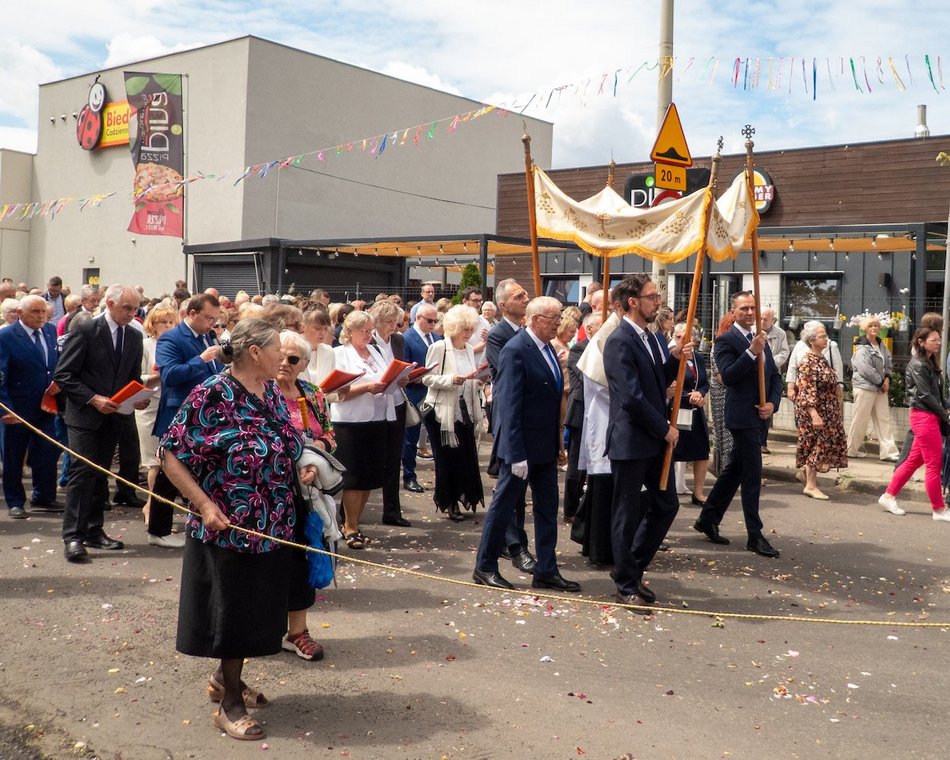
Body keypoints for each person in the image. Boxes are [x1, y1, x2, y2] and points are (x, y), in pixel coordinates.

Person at [160, 319, 317, 741]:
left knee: (256, 612)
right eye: (277, 351)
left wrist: (299, 466)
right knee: (231, 616)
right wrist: (205, 504)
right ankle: (230, 704)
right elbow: (170, 453)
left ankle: (225, 680)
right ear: (254, 353)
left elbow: (284, 443)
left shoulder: (269, 394)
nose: (284, 359)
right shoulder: (212, 393)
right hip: (227, 528)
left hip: (274, 525)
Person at [473, 296, 580, 593]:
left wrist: (558, 445)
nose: (559, 322)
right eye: (554, 317)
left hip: (544, 446)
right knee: (504, 507)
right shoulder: (516, 350)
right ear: (535, 320)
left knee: (547, 509)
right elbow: (508, 405)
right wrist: (516, 453)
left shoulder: (547, 349)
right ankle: (485, 565)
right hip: (521, 448)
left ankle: (546, 568)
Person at [604, 274, 691, 611]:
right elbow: (631, 396)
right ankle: (626, 584)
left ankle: (630, 566)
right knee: (625, 513)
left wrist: (675, 359)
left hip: (653, 440)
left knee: (667, 505)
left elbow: (656, 381)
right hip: (632, 439)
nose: (658, 301)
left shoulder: (651, 338)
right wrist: (663, 429)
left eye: (657, 296)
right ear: (632, 302)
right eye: (652, 296)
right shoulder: (620, 340)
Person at [54, 284, 148, 563]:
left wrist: (138, 397)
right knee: (82, 472)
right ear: (109, 303)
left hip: (114, 415)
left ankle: (94, 530)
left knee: (100, 473)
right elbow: (64, 374)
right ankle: (73, 536)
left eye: (135, 309)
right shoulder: (86, 329)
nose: (131, 314)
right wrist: (94, 399)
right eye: (126, 308)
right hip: (84, 415)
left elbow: (132, 377)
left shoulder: (133, 335)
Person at [694, 291, 782, 558]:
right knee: (752, 475)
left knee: (734, 470)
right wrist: (751, 353)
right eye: (743, 308)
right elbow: (728, 377)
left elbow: (775, 377)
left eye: (753, 308)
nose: (749, 313)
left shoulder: (761, 339)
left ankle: (708, 518)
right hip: (741, 417)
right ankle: (755, 535)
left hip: (760, 415)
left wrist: (773, 404)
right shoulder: (726, 341)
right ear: (733, 312)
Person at [275, 329, 334, 661]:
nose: (284, 363)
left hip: (305, 490)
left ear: (303, 364)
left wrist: (315, 458)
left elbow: (328, 435)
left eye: (292, 359)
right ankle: (262, 629)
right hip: (266, 489)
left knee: (302, 557)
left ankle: (297, 631)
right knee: (266, 561)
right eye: (280, 356)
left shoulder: (312, 394)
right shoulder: (260, 391)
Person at [331, 310, 395, 548]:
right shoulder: (340, 354)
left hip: (377, 419)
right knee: (354, 477)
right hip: (351, 421)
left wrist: (399, 380)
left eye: (370, 330)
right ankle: (349, 526)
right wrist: (367, 387)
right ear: (349, 331)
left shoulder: (375, 351)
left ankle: (355, 522)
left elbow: (386, 377)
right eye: (364, 331)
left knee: (369, 476)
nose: (369, 335)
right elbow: (334, 393)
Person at [484, 278, 535, 573]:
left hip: (530, 421)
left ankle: (513, 541)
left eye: (525, 293)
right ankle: (516, 547)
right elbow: (508, 373)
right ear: (503, 305)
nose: (526, 297)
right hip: (509, 419)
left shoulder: (528, 332)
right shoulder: (498, 335)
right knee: (510, 487)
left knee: (520, 487)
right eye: (519, 296)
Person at [421, 305, 485, 522]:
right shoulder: (440, 347)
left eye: (470, 329)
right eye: (463, 329)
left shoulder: (468, 349)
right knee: (448, 458)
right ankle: (450, 502)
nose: (467, 333)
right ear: (453, 327)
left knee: (465, 457)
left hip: (465, 408)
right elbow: (426, 377)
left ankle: (462, 496)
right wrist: (450, 380)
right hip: (444, 412)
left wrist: (476, 381)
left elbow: (469, 374)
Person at [879, 328, 950, 521]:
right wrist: (945, 414)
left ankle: (888, 496)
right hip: (924, 417)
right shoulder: (918, 365)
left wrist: (945, 409)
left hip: (928, 416)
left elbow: (935, 393)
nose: (939, 342)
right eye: (934, 340)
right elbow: (925, 395)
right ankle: (939, 509)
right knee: (934, 465)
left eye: (939, 339)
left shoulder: (928, 362)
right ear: (921, 342)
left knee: (913, 461)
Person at [0, 295, 61, 519]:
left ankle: (44, 496)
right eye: (35, 312)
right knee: (14, 456)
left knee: (47, 452)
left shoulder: (50, 331)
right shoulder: (6, 336)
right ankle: (15, 501)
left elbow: (52, 364)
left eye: (43, 311)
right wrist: (5, 408)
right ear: (20, 314)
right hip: (17, 407)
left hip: (46, 405)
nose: (41, 316)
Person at [135, 304, 184, 546]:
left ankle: (156, 507)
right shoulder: (146, 345)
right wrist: (158, 375)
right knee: (154, 461)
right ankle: (152, 506)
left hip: (171, 406)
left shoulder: (175, 344)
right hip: (149, 405)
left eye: (171, 322)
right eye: (162, 322)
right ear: (152, 325)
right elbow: (137, 377)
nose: (167, 326)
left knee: (168, 459)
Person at [153, 293, 222, 440]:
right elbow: (169, 375)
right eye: (209, 318)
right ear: (192, 313)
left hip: (209, 415)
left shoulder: (209, 336)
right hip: (182, 416)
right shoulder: (171, 338)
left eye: (216, 320)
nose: (212, 324)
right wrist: (201, 360)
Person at [369, 300, 412, 527]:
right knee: (371, 458)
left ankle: (392, 511)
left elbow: (400, 364)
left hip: (396, 402)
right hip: (374, 406)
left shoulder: (398, 339)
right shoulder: (368, 339)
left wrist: (404, 377)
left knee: (394, 458)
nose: (392, 327)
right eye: (387, 322)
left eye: (394, 322)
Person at [794, 321, 848, 500]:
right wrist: (814, 414)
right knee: (815, 446)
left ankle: (809, 479)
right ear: (811, 340)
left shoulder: (821, 358)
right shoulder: (808, 361)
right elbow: (806, 389)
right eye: (822, 336)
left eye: (826, 335)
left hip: (827, 410)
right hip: (816, 411)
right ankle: (810, 485)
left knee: (820, 446)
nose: (826, 339)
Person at [563, 311, 602, 523]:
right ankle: (569, 508)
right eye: (600, 325)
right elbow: (586, 375)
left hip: (600, 413)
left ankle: (587, 506)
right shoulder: (579, 349)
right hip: (581, 412)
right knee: (576, 463)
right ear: (589, 328)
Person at [848, 314, 899, 462]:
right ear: (865, 329)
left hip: (880, 388)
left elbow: (888, 362)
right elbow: (864, 368)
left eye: (876, 325)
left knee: (884, 419)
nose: (874, 328)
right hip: (865, 388)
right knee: (860, 420)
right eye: (871, 326)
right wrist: (880, 382)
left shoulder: (881, 344)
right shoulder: (861, 345)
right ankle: (851, 450)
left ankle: (888, 452)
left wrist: (887, 379)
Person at [670, 320, 710, 506]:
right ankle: (668, 490)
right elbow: (669, 385)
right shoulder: (672, 356)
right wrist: (687, 395)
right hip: (676, 410)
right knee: (673, 451)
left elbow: (703, 382)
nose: (684, 341)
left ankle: (699, 492)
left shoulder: (698, 358)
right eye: (679, 337)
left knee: (702, 451)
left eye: (688, 338)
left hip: (695, 410)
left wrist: (700, 394)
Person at [401, 301, 441, 493]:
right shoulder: (407, 338)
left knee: (437, 435)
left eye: (435, 321)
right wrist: (417, 376)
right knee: (411, 437)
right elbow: (404, 368)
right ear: (418, 318)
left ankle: (441, 476)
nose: (433, 324)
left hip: (434, 393)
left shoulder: (435, 337)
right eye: (429, 320)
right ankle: (409, 476)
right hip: (415, 393)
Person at [709, 313, 736, 477]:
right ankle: (726, 472)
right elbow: (721, 377)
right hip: (722, 395)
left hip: (730, 394)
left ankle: (726, 470)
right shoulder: (719, 345)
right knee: (725, 436)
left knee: (729, 437)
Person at [299, 307, 336, 388]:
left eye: (326, 329)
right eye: (317, 328)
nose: (322, 333)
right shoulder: (295, 349)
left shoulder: (328, 351)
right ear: (303, 327)